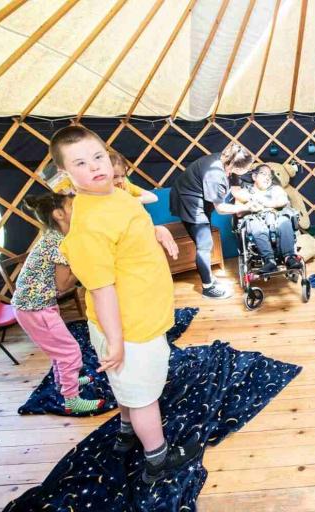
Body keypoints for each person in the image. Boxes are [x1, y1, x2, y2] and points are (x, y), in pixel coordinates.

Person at [50, 125, 200, 484]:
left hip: (143, 315)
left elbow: (130, 227)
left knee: (128, 386)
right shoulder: (87, 225)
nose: (96, 167)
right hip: (129, 327)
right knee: (145, 395)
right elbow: (102, 290)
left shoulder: (113, 194)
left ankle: (126, 431)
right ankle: (157, 460)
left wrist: (157, 230)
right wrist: (116, 342)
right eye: (81, 163)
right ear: (66, 175)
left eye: (99, 156)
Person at [11, 192, 106, 415]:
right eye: (73, 206)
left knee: (58, 349)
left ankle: (64, 382)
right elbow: (63, 285)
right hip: (35, 309)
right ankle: (71, 399)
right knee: (69, 351)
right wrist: (83, 267)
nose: (79, 209)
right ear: (59, 214)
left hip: (35, 306)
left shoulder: (54, 238)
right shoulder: (59, 243)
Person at [170, 143, 253, 299]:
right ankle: (208, 288)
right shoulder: (214, 173)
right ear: (234, 166)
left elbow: (236, 191)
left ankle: (208, 277)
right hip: (188, 201)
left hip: (200, 200)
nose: (247, 171)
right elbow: (221, 208)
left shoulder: (227, 162)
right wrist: (247, 207)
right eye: (244, 169)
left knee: (205, 242)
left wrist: (254, 199)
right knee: (205, 244)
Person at [238, 164, 302, 273]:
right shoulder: (245, 191)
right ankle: (269, 261)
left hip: (276, 219)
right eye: (264, 174)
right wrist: (250, 206)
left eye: (270, 175)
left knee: (285, 221)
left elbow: (283, 201)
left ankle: (289, 258)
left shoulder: (276, 189)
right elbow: (238, 212)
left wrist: (265, 204)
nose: (268, 177)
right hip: (256, 219)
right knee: (254, 225)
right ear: (254, 176)